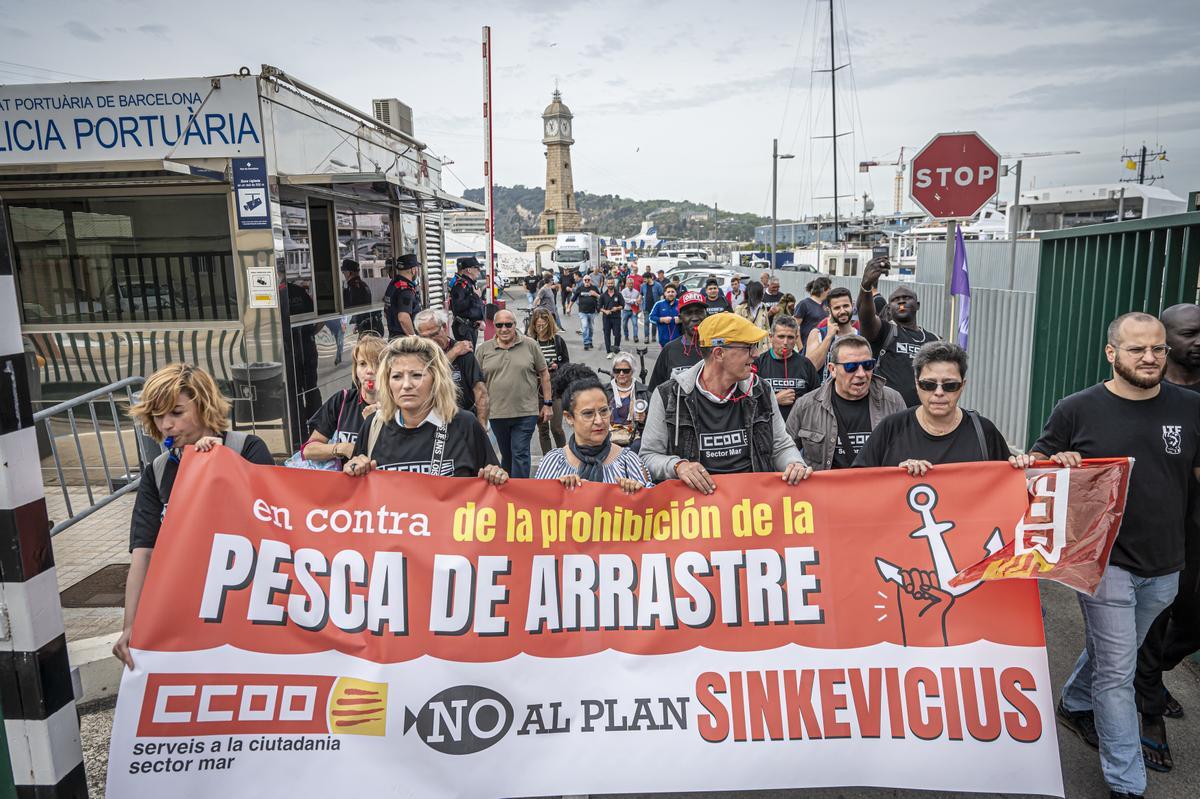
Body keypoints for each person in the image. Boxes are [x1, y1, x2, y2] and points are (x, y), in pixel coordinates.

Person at [1031, 313, 1200, 799]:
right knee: (1118, 674)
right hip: (1103, 562)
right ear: (1112, 353)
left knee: (1116, 651)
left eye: (1158, 349)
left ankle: (1073, 699)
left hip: (1166, 565)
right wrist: (1057, 464)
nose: (1150, 358)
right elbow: (1037, 470)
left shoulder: (1191, 407)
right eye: (1136, 349)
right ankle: (1127, 782)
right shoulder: (1077, 409)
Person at [115, 364, 274, 667]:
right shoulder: (159, 471)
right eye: (158, 416)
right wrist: (131, 627)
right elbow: (144, 552)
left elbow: (272, 524)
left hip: (249, 605)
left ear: (203, 407)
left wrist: (222, 464)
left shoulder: (246, 449)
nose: (166, 425)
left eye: (176, 412)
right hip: (188, 608)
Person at [640, 312, 812, 493]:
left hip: (753, 507)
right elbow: (648, 457)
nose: (756, 354)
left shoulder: (760, 390)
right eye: (749, 347)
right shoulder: (669, 395)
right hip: (698, 512)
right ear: (719, 353)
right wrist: (677, 466)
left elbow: (781, 446)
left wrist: (794, 463)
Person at [1135, 303, 1200, 770]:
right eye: (1190, 333)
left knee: (1194, 619)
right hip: (1154, 535)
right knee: (1153, 620)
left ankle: (1156, 673)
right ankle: (1149, 709)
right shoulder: (1139, 391)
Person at [343, 337, 507, 484]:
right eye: (397, 377)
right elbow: (358, 496)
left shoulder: (464, 424)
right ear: (387, 383)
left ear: (436, 380)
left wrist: (496, 476)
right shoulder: (374, 426)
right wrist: (352, 470)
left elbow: (493, 489)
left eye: (416, 375)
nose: (406, 385)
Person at [853, 342, 1019, 472]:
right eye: (929, 384)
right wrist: (897, 476)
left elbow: (1006, 482)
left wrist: (1021, 466)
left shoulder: (983, 431)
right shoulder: (892, 428)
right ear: (917, 384)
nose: (939, 392)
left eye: (950, 385)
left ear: (963, 385)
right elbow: (860, 482)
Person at [787, 334, 905, 470]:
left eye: (867, 365)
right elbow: (785, 450)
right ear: (832, 369)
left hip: (878, 489)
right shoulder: (806, 405)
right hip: (826, 490)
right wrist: (795, 465)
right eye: (851, 367)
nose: (861, 373)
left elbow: (908, 447)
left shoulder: (893, 401)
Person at [536, 363, 652, 494]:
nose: (599, 421)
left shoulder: (629, 462)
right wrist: (556, 491)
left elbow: (654, 508)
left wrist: (638, 494)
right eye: (588, 414)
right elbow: (535, 508)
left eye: (604, 411)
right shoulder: (553, 462)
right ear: (569, 417)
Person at [476, 309, 553, 478]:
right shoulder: (483, 350)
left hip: (526, 412)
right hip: (497, 413)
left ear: (515, 325)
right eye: (499, 325)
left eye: (508, 325)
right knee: (507, 455)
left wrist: (547, 404)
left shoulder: (530, 344)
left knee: (520, 452)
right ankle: (507, 491)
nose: (504, 329)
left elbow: (544, 373)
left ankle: (521, 493)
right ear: (494, 327)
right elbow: (477, 382)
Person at [857, 256, 940, 407]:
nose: (901, 301)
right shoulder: (884, 331)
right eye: (896, 300)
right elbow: (866, 317)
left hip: (923, 415)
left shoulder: (934, 340)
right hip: (887, 412)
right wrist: (866, 286)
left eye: (907, 298)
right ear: (889, 308)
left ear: (918, 305)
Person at [301, 333, 387, 465]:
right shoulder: (343, 400)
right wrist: (342, 448)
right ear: (355, 369)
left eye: (377, 363)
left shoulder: (398, 406)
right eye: (363, 364)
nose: (369, 371)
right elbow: (308, 450)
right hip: (346, 483)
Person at [414, 308, 489, 427]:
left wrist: (482, 426)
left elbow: (480, 391)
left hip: (463, 419)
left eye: (434, 334)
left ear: (444, 327)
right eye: (425, 337)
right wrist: (453, 353)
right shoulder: (416, 354)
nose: (431, 340)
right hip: (432, 421)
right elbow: (427, 375)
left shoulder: (464, 352)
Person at [754, 315, 819, 422]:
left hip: (799, 429)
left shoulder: (806, 364)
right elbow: (749, 401)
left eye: (790, 337)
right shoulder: (758, 363)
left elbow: (817, 399)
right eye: (781, 336)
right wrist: (774, 400)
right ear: (771, 337)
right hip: (768, 429)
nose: (785, 342)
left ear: (796, 338)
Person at [529, 307, 570, 455]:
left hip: (555, 388)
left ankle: (564, 457)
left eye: (543, 325)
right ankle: (548, 460)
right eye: (538, 325)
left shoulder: (558, 341)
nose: (540, 328)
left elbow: (567, 364)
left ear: (549, 324)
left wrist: (556, 366)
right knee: (543, 428)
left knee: (557, 428)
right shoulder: (531, 343)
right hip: (537, 389)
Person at [648, 290, 707, 390]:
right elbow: (655, 390)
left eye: (699, 312)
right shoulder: (670, 349)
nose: (695, 318)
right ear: (680, 318)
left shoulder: (717, 348)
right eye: (689, 313)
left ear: (707, 315)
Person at [805, 286, 858, 368]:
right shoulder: (818, 334)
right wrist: (829, 336)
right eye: (837, 308)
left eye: (846, 306)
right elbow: (811, 367)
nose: (842, 311)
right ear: (829, 310)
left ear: (852, 305)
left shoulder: (860, 336)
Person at [605, 352, 651, 445]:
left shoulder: (644, 392)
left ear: (632, 371)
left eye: (625, 370)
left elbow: (654, 423)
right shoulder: (603, 391)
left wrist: (643, 420)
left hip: (634, 436)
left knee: (636, 447)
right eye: (617, 370)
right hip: (608, 436)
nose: (621, 374)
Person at [449, 256, 486, 348]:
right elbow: (457, 307)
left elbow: (474, 307)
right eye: (477, 268)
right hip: (463, 327)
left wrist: (480, 320)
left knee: (471, 355)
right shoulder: (460, 285)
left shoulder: (471, 283)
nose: (479, 270)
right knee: (467, 357)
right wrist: (474, 296)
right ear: (469, 270)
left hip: (471, 327)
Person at [385, 253, 422, 337]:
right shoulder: (406, 290)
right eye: (417, 268)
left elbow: (386, 313)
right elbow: (403, 317)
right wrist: (414, 337)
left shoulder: (393, 284)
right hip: (404, 340)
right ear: (413, 270)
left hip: (394, 336)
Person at [342, 259, 382, 337]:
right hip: (370, 324)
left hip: (367, 328)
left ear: (349, 273)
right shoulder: (363, 284)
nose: (344, 275)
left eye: (344, 272)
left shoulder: (353, 287)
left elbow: (351, 306)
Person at [796, 276, 832, 343]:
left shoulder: (827, 303)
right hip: (807, 345)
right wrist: (800, 347)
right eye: (829, 288)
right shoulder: (804, 304)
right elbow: (795, 326)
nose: (830, 291)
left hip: (823, 344)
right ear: (824, 289)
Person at [572, 273, 602, 350]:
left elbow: (601, 298)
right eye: (585, 280)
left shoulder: (594, 288)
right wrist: (568, 307)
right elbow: (573, 298)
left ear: (590, 281)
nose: (587, 281)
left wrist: (595, 294)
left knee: (591, 328)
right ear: (583, 281)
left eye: (588, 280)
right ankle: (586, 343)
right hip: (582, 311)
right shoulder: (580, 288)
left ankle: (590, 340)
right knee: (585, 326)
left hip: (592, 312)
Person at [599, 276, 625, 357]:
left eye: (612, 283)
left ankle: (616, 350)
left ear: (614, 283)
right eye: (609, 283)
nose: (610, 284)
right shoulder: (603, 295)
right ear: (606, 284)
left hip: (616, 317)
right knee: (607, 334)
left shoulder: (618, 294)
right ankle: (609, 352)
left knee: (617, 334)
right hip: (606, 318)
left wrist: (617, 308)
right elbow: (599, 307)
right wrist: (605, 311)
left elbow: (622, 305)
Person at [640, 271, 663, 342]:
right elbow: (641, 294)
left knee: (654, 323)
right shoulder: (643, 286)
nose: (644, 280)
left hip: (655, 308)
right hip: (646, 307)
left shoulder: (657, 285)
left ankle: (653, 336)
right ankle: (646, 337)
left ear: (649, 278)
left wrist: (661, 304)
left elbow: (661, 294)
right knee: (646, 322)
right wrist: (639, 299)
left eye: (645, 279)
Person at [621, 275, 642, 343]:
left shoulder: (636, 292)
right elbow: (625, 300)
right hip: (625, 310)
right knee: (624, 324)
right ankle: (626, 335)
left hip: (633, 311)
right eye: (629, 283)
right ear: (626, 284)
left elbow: (639, 301)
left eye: (632, 284)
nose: (630, 285)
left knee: (635, 324)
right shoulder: (623, 291)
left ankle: (635, 336)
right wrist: (634, 300)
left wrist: (639, 307)